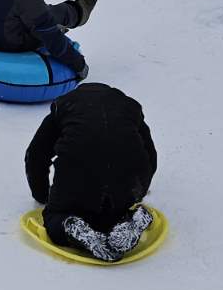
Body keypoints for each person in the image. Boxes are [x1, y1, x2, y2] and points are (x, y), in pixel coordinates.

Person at [25, 83, 157, 262]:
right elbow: (150, 155)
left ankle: (68, 227)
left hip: (78, 166)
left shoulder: (62, 107)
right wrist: (138, 192)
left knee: (55, 216)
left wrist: (42, 195)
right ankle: (133, 218)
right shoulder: (129, 108)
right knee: (113, 212)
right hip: (127, 168)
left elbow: (36, 155)